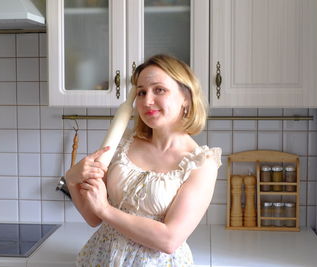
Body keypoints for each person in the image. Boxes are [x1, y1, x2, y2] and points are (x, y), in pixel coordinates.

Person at [65, 54, 222, 266]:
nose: (147, 101)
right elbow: (93, 218)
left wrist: (106, 210)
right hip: (101, 258)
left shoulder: (201, 164)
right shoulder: (123, 142)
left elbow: (169, 240)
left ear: (186, 97)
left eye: (159, 90)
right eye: (141, 92)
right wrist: (72, 179)